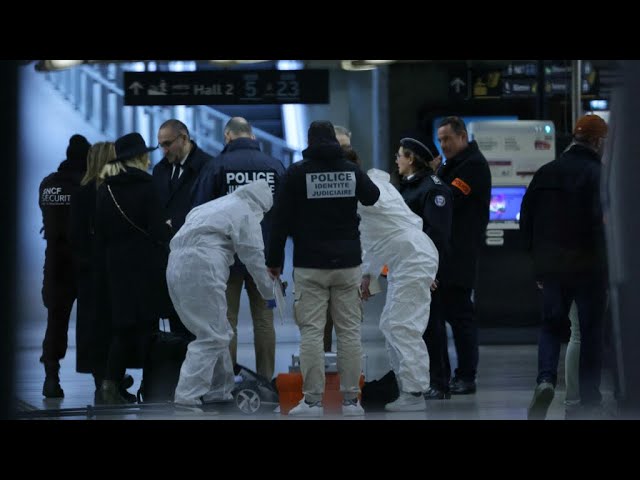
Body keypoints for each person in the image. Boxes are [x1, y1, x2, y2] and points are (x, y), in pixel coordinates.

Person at [267, 121, 380, 417]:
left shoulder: (297, 172)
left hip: (310, 264)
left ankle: (313, 401)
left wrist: (273, 261)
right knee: (350, 332)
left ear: (309, 140)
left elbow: (279, 220)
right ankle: (351, 401)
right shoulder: (351, 170)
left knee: (312, 334)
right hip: (347, 263)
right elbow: (373, 196)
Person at [520, 114, 608, 419]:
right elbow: (607, 224)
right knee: (589, 333)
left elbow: (526, 220)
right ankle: (588, 400)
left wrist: (537, 265)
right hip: (590, 267)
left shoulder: (546, 172)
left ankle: (545, 380)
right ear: (597, 142)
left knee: (551, 327)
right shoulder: (599, 175)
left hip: (552, 267)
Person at [168, 180, 276, 407]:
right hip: (202, 267)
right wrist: (270, 294)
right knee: (212, 336)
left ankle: (221, 391)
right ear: (262, 206)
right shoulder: (246, 213)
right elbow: (255, 260)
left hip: (175, 266)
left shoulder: (213, 206)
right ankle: (186, 397)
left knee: (218, 331)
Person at [192, 117, 285, 380]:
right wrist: (278, 259)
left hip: (227, 258)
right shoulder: (274, 166)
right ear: (252, 137)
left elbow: (200, 213)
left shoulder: (216, 166)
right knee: (264, 321)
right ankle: (266, 380)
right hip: (265, 259)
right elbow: (283, 215)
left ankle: (228, 380)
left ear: (228, 137)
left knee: (227, 321)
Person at [359, 169, 439, 411]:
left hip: (412, 258)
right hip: (409, 257)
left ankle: (414, 392)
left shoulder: (369, 200)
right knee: (391, 324)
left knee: (402, 326)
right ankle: (405, 385)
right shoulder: (383, 194)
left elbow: (370, 242)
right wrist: (367, 276)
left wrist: (366, 276)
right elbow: (376, 243)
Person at [95, 133, 164, 404]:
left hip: (116, 267)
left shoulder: (106, 189)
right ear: (140, 158)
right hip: (145, 266)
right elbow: (158, 230)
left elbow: (100, 232)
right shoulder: (148, 187)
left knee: (121, 329)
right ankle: (150, 388)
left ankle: (110, 387)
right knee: (148, 329)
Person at [69, 141, 135, 403]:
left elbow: (75, 235)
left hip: (90, 274)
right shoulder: (116, 190)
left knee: (95, 329)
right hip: (115, 270)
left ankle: (104, 383)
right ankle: (113, 381)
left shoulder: (82, 191)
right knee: (117, 327)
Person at [435, 116, 491, 394]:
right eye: (440, 139)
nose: (443, 144)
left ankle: (466, 375)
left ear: (462, 137)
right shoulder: (453, 165)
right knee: (448, 316)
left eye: (447, 139)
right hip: (446, 255)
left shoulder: (473, 166)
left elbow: (445, 199)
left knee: (461, 318)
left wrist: (433, 177)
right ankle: (447, 375)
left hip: (460, 255)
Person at [396, 135, 453, 400]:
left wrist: (428, 272)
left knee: (432, 325)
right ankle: (424, 378)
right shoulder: (409, 186)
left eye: (400, 155)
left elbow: (436, 234)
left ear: (410, 159)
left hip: (425, 268)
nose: (396, 160)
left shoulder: (433, 188)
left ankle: (440, 382)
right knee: (415, 325)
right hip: (410, 266)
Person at [38, 134, 90, 398]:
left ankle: (51, 377)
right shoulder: (85, 185)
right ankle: (103, 381)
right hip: (83, 263)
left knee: (55, 322)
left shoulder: (48, 184)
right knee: (92, 322)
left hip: (54, 263)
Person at [152, 119, 213, 337]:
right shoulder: (160, 170)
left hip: (197, 258)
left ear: (184, 138)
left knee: (197, 325)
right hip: (168, 258)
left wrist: (175, 222)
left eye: (168, 144)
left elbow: (210, 211)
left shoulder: (208, 167)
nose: (164, 149)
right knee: (174, 320)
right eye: (161, 144)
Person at [323, 124, 355, 352]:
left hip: (351, 258)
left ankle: (351, 379)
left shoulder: (358, 173)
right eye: (340, 146)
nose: (344, 152)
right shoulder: (311, 173)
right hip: (319, 260)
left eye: (347, 146)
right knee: (319, 324)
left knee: (349, 324)